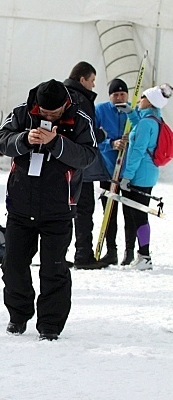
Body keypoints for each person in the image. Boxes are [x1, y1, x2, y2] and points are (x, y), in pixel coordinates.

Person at [0, 79, 97, 341]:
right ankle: (18, 316)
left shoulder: (81, 119)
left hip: (59, 210)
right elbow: (1, 140)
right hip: (20, 206)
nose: (48, 117)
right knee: (13, 265)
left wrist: (56, 142)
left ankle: (50, 325)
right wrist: (24, 139)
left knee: (54, 269)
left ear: (65, 105)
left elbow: (88, 156)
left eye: (54, 113)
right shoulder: (21, 112)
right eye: (44, 113)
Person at [116, 83, 172, 270]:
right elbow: (139, 122)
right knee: (137, 214)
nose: (140, 100)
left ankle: (145, 255)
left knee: (138, 215)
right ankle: (142, 254)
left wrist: (127, 176)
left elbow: (137, 151)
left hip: (139, 175)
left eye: (143, 97)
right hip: (148, 174)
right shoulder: (154, 119)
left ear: (151, 101)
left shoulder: (147, 123)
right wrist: (130, 112)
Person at [64, 62, 110, 269]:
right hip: (79, 164)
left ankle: (57, 254)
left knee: (63, 210)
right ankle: (83, 254)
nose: (93, 86)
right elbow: (85, 131)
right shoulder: (81, 99)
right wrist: (100, 134)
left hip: (62, 163)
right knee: (83, 210)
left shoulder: (63, 95)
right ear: (82, 79)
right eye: (92, 81)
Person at [95, 78, 130, 265]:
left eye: (121, 94)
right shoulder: (100, 110)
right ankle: (111, 250)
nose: (118, 98)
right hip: (107, 170)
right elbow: (92, 135)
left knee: (131, 214)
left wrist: (130, 141)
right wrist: (110, 143)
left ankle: (131, 251)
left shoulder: (133, 112)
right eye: (115, 95)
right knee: (109, 213)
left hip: (129, 171)